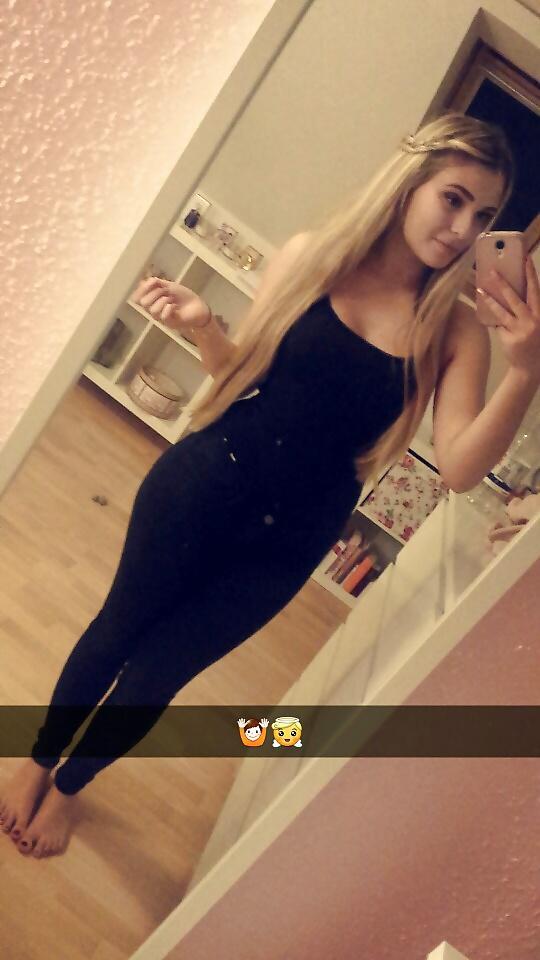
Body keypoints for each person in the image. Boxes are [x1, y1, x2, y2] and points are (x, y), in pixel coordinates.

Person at [2, 110, 539, 859]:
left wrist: (525, 370)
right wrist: (204, 327)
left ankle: (67, 789)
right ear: (411, 182)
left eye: (483, 216)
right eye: (453, 198)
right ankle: (35, 762)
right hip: (204, 483)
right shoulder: (314, 258)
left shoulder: (454, 330)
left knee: (160, 672)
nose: (461, 229)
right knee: (117, 629)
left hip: (290, 541)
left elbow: (457, 468)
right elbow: (241, 375)